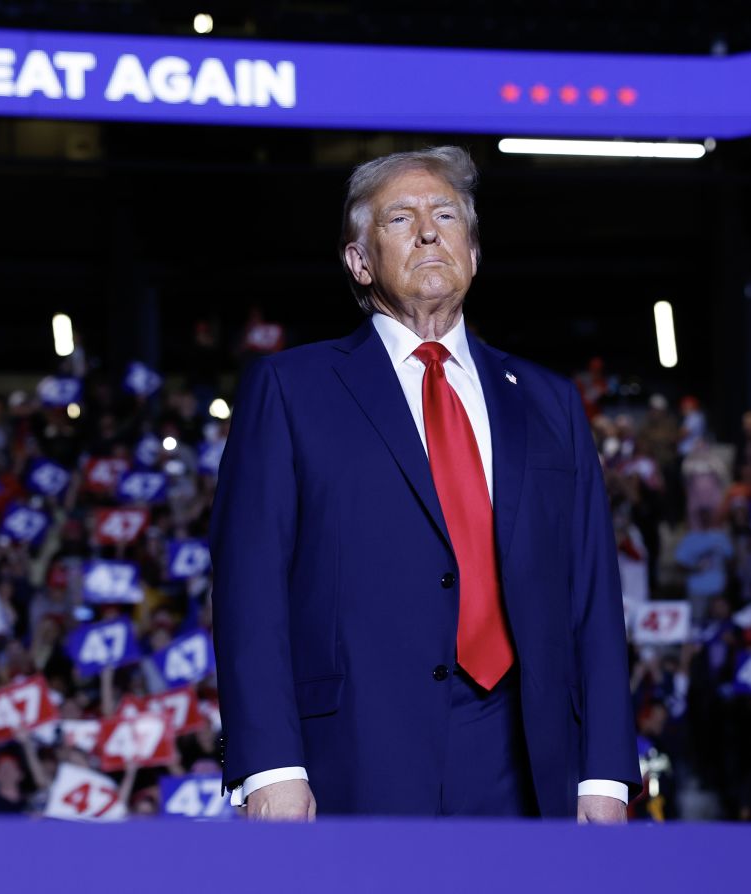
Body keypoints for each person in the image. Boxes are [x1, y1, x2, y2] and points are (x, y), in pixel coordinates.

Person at [210, 147, 638, 821]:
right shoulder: (291, 390)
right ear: (359, 261)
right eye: (401, 217)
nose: (430, 230)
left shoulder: (550, 402)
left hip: (530, 762)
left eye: (446, 215)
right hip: (351, 753)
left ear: (472, 249)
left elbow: (592, 593)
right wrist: (269, 762)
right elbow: (249, 587)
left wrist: (607, 775)